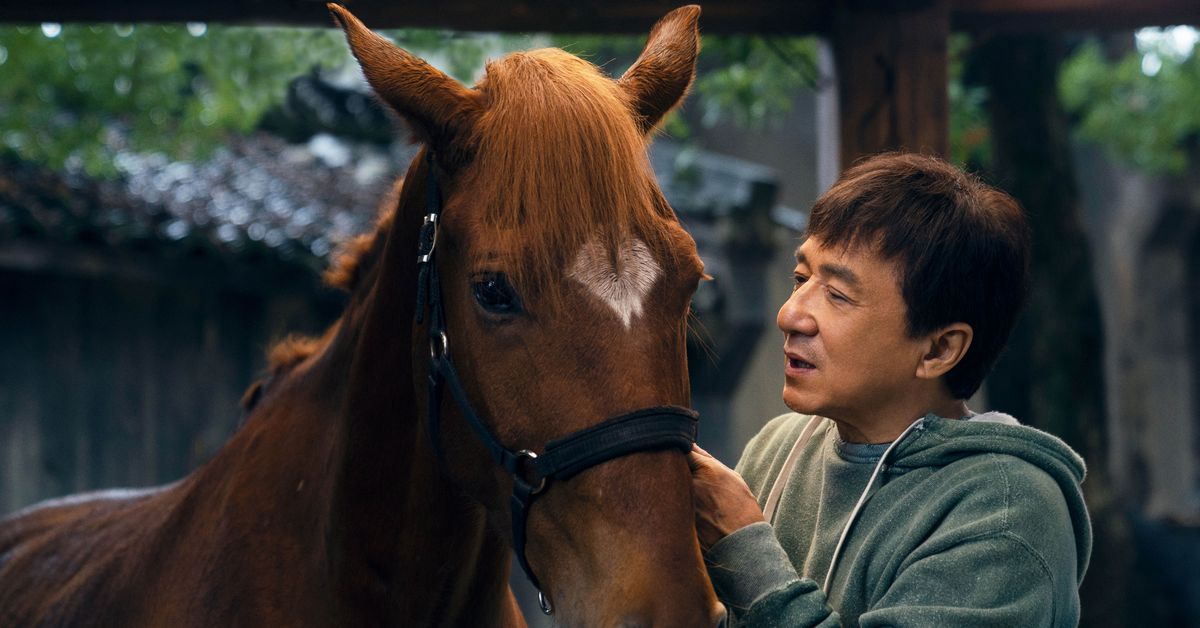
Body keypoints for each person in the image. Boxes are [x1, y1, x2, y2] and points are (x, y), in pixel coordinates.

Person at [689, 152, 1091, 626]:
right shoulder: (779, 446)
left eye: (837, 295)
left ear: (938, 350)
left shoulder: (1006, 513)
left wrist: (746, 551)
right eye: (801, 278)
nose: (789, 315)